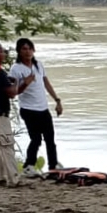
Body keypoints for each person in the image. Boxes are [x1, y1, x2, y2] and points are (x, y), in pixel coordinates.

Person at [9, 39, 63, 177]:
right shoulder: (16, 69)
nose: (28, 52)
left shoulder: (38, 65)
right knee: (36, 139)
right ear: (19, 52)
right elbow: (13, 92)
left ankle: (53, 165)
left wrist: (57, 100)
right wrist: (25, 83)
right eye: (24, 49)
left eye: (30, 49)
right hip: (28, 109)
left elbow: (46, 83)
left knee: (50, 139)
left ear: (34, 50)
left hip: (43, 108)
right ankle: (29, 166)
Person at [0, 41, 30, 188]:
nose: (4, 54)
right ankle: (13, 179)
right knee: (6, 146)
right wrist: (15, 82)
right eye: (2, 51)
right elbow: (11, 93)